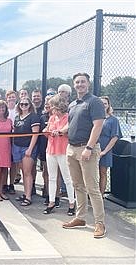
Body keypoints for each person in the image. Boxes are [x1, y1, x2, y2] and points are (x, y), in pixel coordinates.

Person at [62, 72, 106, 239]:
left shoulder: (94, 102)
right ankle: (80, 218)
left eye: (83, 82)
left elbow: (97, 126)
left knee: (92, 188)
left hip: (87, 149)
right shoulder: (73, 104)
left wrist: (89, 147)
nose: (80, 84)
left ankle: (99, 223)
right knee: (78, 186)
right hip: (71, 149)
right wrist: (61, 131)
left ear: (88, 84)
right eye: (77, 82)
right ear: (74, 85)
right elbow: (71, 123)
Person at [43, 95, 75, 215]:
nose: (51, 108)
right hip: (51, 150)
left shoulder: (68, 117)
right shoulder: (52, 118)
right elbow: (47, 131)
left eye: (52, 106)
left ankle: (72, 203)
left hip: (63, 150)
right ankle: (51, 202)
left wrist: (60, 132)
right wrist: (47, 131)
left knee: (67, 178)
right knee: (52, 177)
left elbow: (68, 130)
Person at [12, 97, 40, 206]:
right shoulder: (17, 117)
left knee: (27, 172)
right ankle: (25, 193)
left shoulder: (33, 117)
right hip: (17, 146)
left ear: (30, 105)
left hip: (27, 147)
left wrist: (30, 148)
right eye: (21, 104)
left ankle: (28, 197)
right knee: (23, 171)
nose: (23, 106)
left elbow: (35, 134)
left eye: (26, 104)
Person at [98, 96, 122, 195]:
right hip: (93, 148)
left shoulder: (113, 120)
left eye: (105, 104)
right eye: (101, 103)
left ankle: (101, 195)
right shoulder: (94, 118)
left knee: (102, 173)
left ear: (108, 105)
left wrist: (104, 151)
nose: (103, 106)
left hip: (105, 150)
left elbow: (115, 137)